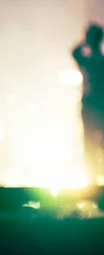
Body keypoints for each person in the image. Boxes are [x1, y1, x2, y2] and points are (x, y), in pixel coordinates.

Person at [73, 23, 104, 184]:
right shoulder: (97, 61)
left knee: (91, 143)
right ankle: (94, 177)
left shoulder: (91, 61)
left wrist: (86, 42)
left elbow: (74, 52)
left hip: (93, 105)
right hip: (97, 105)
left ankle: (94, 178)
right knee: (94, 143)